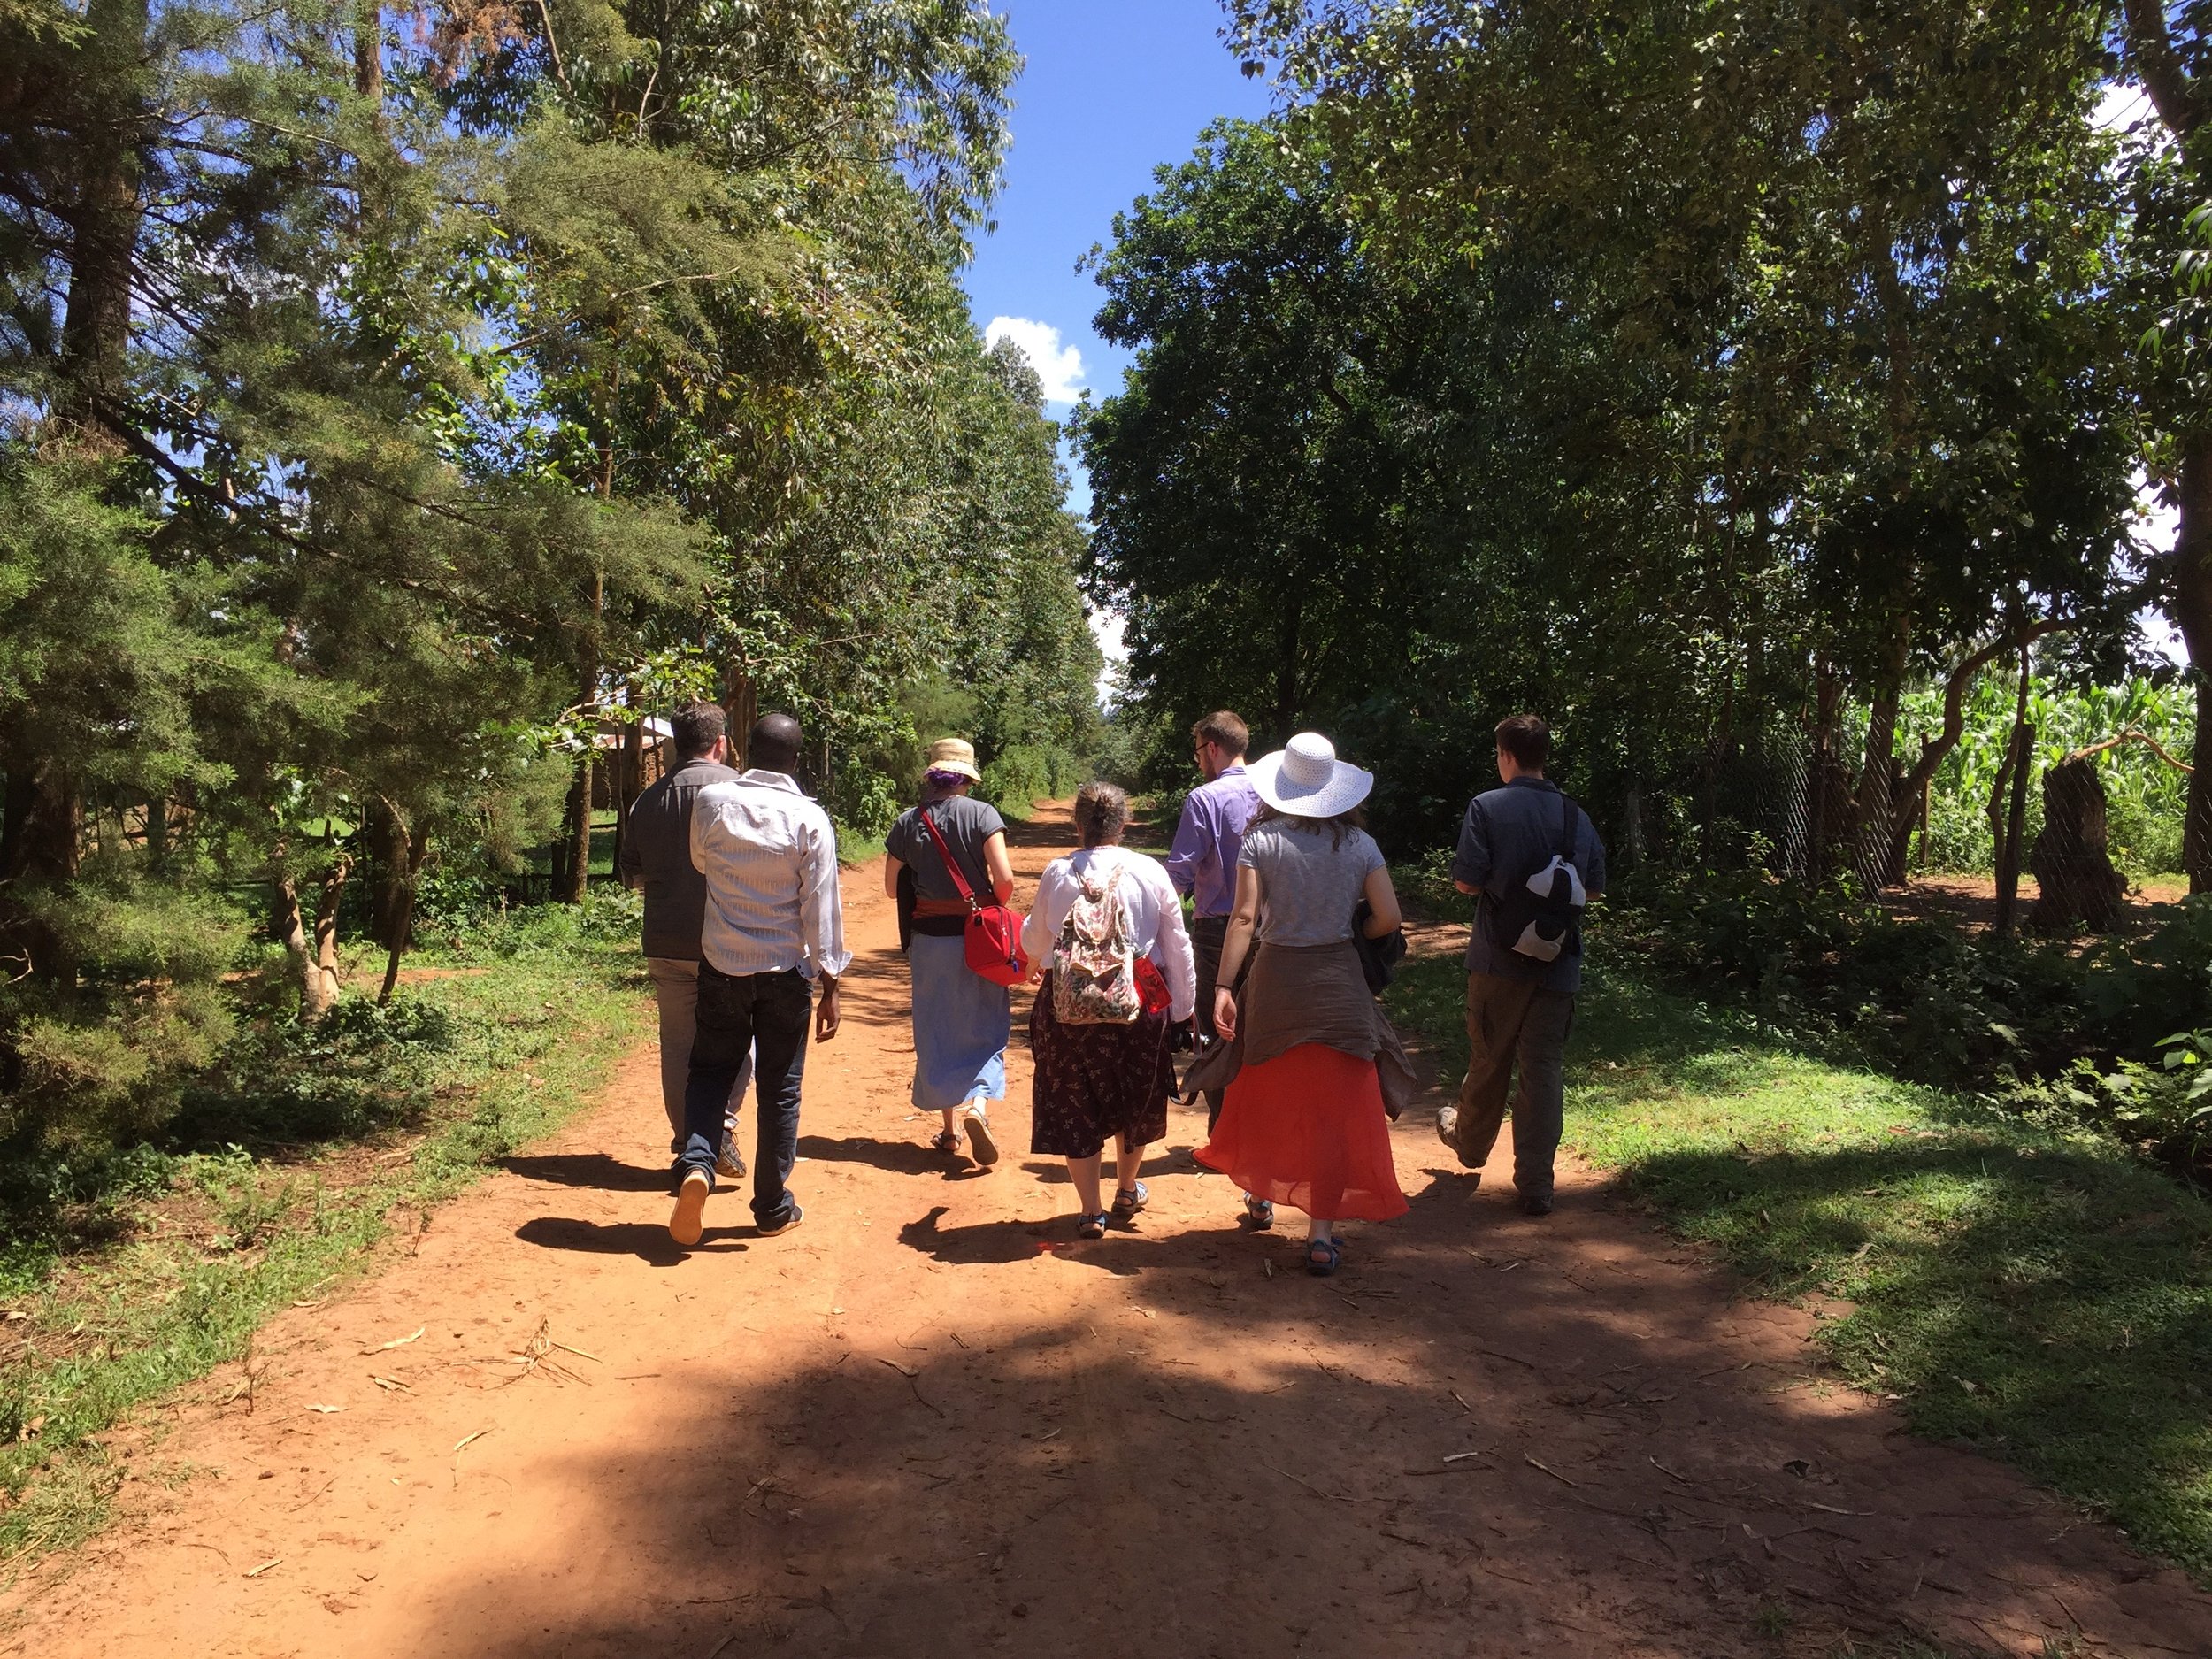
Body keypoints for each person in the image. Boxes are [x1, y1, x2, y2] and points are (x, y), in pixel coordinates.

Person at [1189, 732, 1415, 1276]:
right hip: (1339, 985)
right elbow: (1389, 917)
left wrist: (1223, 987)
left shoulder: (1260, 839)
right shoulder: (1361, 847)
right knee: (1335, 1110)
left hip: (1276, 984)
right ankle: (1320, 1236)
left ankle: (1262, 1195)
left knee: (1270, 1091)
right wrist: (1351, 924)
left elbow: (1243, 919)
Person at [670, 712, 850, 1247]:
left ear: (743, 749)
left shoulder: (712, 803)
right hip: (784, 974)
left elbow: (701, 862)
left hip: (723, 964)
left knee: (709, 1073)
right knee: (780, 1089)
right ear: (796, 760)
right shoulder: (810, 819)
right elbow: (822, 908)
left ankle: (697, 1164)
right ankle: (771, 1205)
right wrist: (831, 983)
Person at [1434, 714, 1608, 1217]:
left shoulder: (1487, 806)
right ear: (1544, 756)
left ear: (1506, 755)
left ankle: (1469, 1144)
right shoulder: (1576, 815)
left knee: (1490, 1055)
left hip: (1497, 960)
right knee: (1544, 1067)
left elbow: (1467, 880)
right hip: (1559, 961)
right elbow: (1593, 887)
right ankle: (1536, 1184)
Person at [1021, 782, 1196, 1240]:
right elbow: (1177, 943)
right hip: (1138, 999)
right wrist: (1183, 1008)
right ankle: (1125, 1188)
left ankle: (1090, 1211)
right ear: (1123, 824)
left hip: (1068, 1002)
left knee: (1075, 1095)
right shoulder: (1150, 871)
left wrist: (1040, 959)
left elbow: (1035, 941)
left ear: (1078, 825)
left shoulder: (1059, 873)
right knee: (1134, 1091)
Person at [618, 701, 752, 1179]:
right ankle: (719, 1133)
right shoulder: (740, 791)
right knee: (738, 1039)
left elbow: (631, 876)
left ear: (676, 743)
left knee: (678, 1045)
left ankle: (687, 1142)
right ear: (720, 743)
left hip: (665, 940)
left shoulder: (647, 800)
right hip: (727, 941)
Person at [882, 738, 1017, 1166]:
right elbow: (1006, 880)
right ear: (966, 776)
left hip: (928, 940)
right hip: (979, 939)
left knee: (937, 1026)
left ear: (933, 774)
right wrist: (990, 905)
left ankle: (949, 1130)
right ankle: (978, 1105)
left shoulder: (908, 821)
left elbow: (890, 888)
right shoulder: (982, 814)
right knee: (987, 1020)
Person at [1165, 710, 1264, 1138]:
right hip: (1268, 929)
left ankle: (1225, 1133)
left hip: (1216, 930)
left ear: (1212, 748)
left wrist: (1157, 914)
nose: (1198, 762)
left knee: (1216, 1026)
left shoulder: (1204, 799)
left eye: (1198, 753)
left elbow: (1182, 871)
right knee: (1260, 1025)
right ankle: (1262, 1128)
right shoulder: (1273, 794)